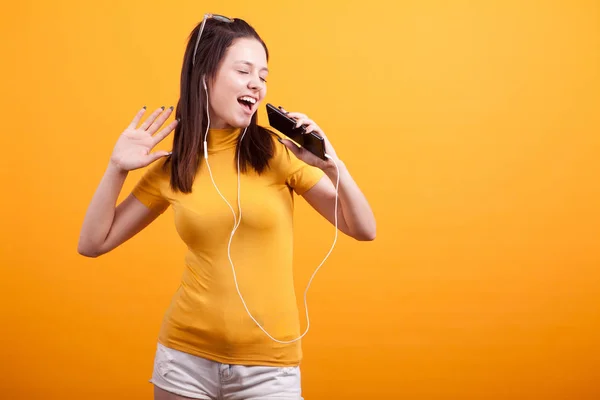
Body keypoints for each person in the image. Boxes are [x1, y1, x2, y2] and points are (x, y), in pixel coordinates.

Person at [78, 13, 376, 400]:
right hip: (184, 361)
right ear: (205, 75)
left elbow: (363, 228)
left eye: (263, 76)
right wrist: (116, 169)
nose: (258, 84)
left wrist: (334, 167)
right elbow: (92, 243)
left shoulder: (275, 153)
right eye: (244, 71)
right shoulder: (176, 165)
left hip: (269, 369)